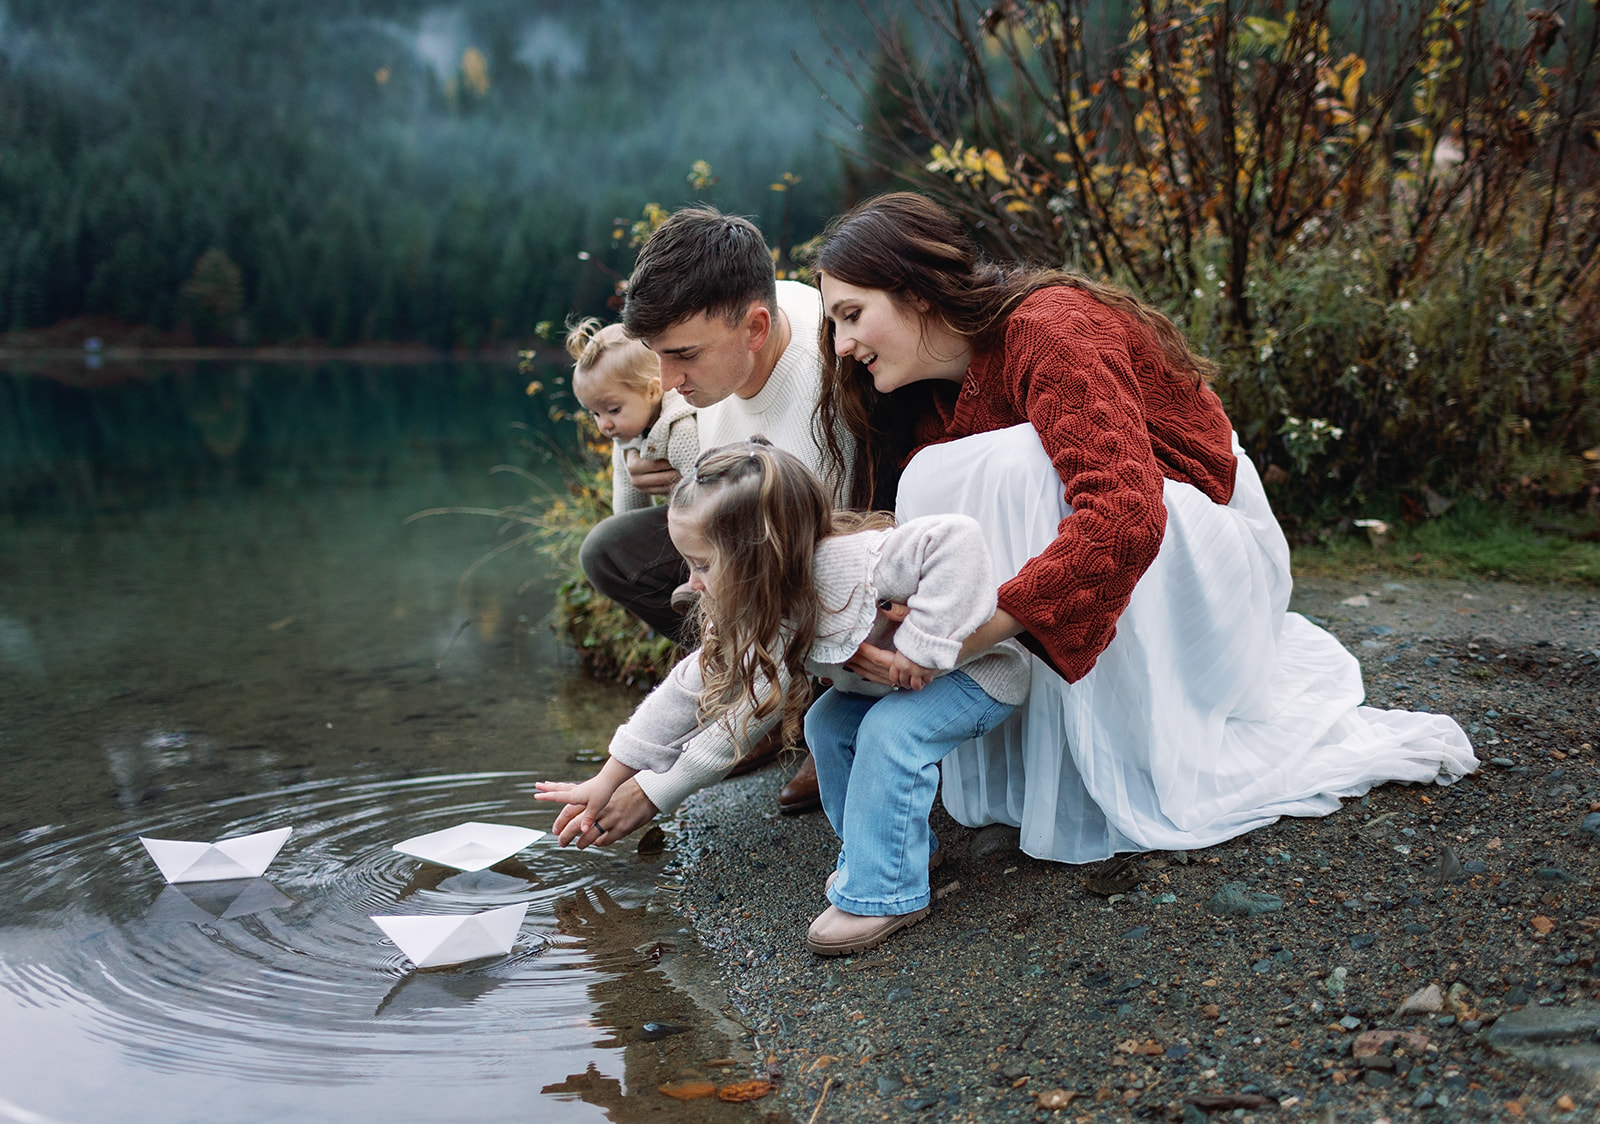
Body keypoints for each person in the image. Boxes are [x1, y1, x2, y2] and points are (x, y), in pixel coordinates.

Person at [811, 191, 1477, 863]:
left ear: (917, 292)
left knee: (1010, 463)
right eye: (834, 323)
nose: (841, 346)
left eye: (852, 315)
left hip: (1202, 541)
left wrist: (965, 637)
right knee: (939, 472)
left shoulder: (1051, 328)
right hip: (1126, 551)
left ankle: (1121, 744)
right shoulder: (922, 400)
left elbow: (1126, 515)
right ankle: (1048, 743)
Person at [536, 440, 1030, 955]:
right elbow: (686, 691)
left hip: (980, 677)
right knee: (827, 725)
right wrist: (609, 776)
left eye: (702, 564)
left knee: (888, 733)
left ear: (758, 554)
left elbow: (957, 539)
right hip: (883, 688)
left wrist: (922, 648)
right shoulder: (761, 602)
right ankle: (890, 853)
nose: (692, 582)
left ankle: (887, 893)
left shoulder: (858, 564)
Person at [577, 207, 855, 829]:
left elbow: (786, 614)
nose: (667, 383)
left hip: (830, 562)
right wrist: (677, 479)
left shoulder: (823, 409)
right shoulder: (734, 330)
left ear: (757, 328)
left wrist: (661, 786)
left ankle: (826, 716)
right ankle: (753, 716)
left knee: (768, 613)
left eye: (683, 357)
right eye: (656, 356)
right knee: (611, 550)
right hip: (753, 533)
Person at [565, 317, 697, 514]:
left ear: (652, 391)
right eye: (595, 413)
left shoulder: (680, 430)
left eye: (613, 410)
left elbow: (704, 497)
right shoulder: (627, 434)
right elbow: (627, 507)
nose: (604, 425)